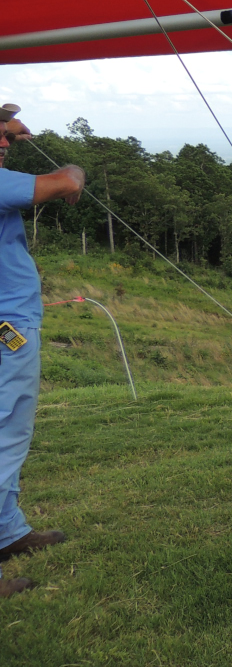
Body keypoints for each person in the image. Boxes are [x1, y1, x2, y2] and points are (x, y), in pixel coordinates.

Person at [0, 104, 86, 598]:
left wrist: (9, 131)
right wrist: (74, 171)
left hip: (11, 323)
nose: (7, 143)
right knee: (4, 433)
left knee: (11, 429)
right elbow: (67, 183)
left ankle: (8, 532)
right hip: (6, 327)